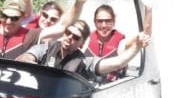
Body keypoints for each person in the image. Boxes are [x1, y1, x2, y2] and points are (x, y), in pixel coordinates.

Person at [17, 21, 151, 82]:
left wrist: (137, 46)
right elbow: (25, 57)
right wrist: (30, 63)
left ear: (82, 43)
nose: (70, 37)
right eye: (68, 33)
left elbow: (119, 62)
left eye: (75, 37)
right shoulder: (46, 48)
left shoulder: (85, 63)